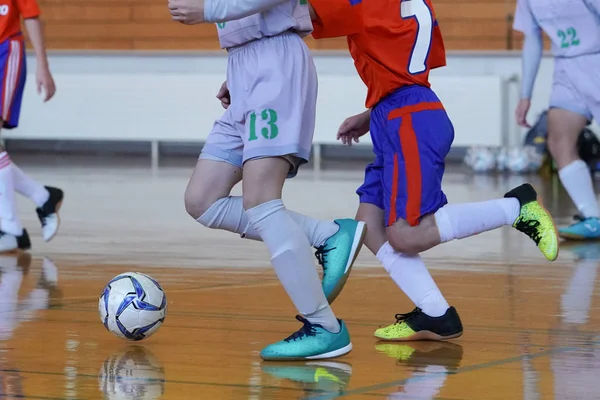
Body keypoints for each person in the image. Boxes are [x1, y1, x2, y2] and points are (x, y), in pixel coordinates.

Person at [177, 0, 562, 342]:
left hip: (407, 118)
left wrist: (220, 19)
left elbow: (298, 15)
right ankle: (436, 313)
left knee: (409, 234)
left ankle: (516, 208)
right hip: (398, 110)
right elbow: (407, 70)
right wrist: (371, 113)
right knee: (371, 226)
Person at [168, 0, 367, 360]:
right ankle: (328, 235)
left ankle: (325, 327)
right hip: (247, 65)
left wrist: (209, 10)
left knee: (260, 198)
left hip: (275, 65)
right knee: (202, 200)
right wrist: (240, 69)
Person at [513, 0, 600, 240]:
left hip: (596, 60)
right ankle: (592, 218)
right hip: (567, 68)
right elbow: (532, 39)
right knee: (559, 140)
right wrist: (525, 95)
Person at [0, 0, 63, 252]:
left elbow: (32, 16)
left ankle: (12, 228)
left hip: (6, 52)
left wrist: (42, 65)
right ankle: (43, 197)